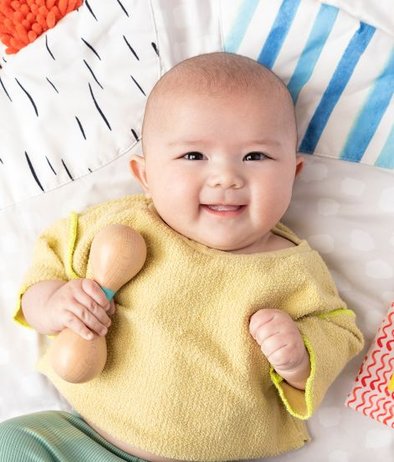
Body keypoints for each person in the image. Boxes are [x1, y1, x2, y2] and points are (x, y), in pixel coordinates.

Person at [0, 52, 363, 461]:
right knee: (12, 442)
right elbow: (44, 271)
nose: (226, 176)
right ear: (146, 176)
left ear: (292, 174)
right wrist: (55, 303)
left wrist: (298, 356)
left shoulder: (294, 268)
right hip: (83, 438)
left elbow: (340, 332)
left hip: (207, 456)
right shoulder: (125, 224)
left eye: (256, 156)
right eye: (194, 156)